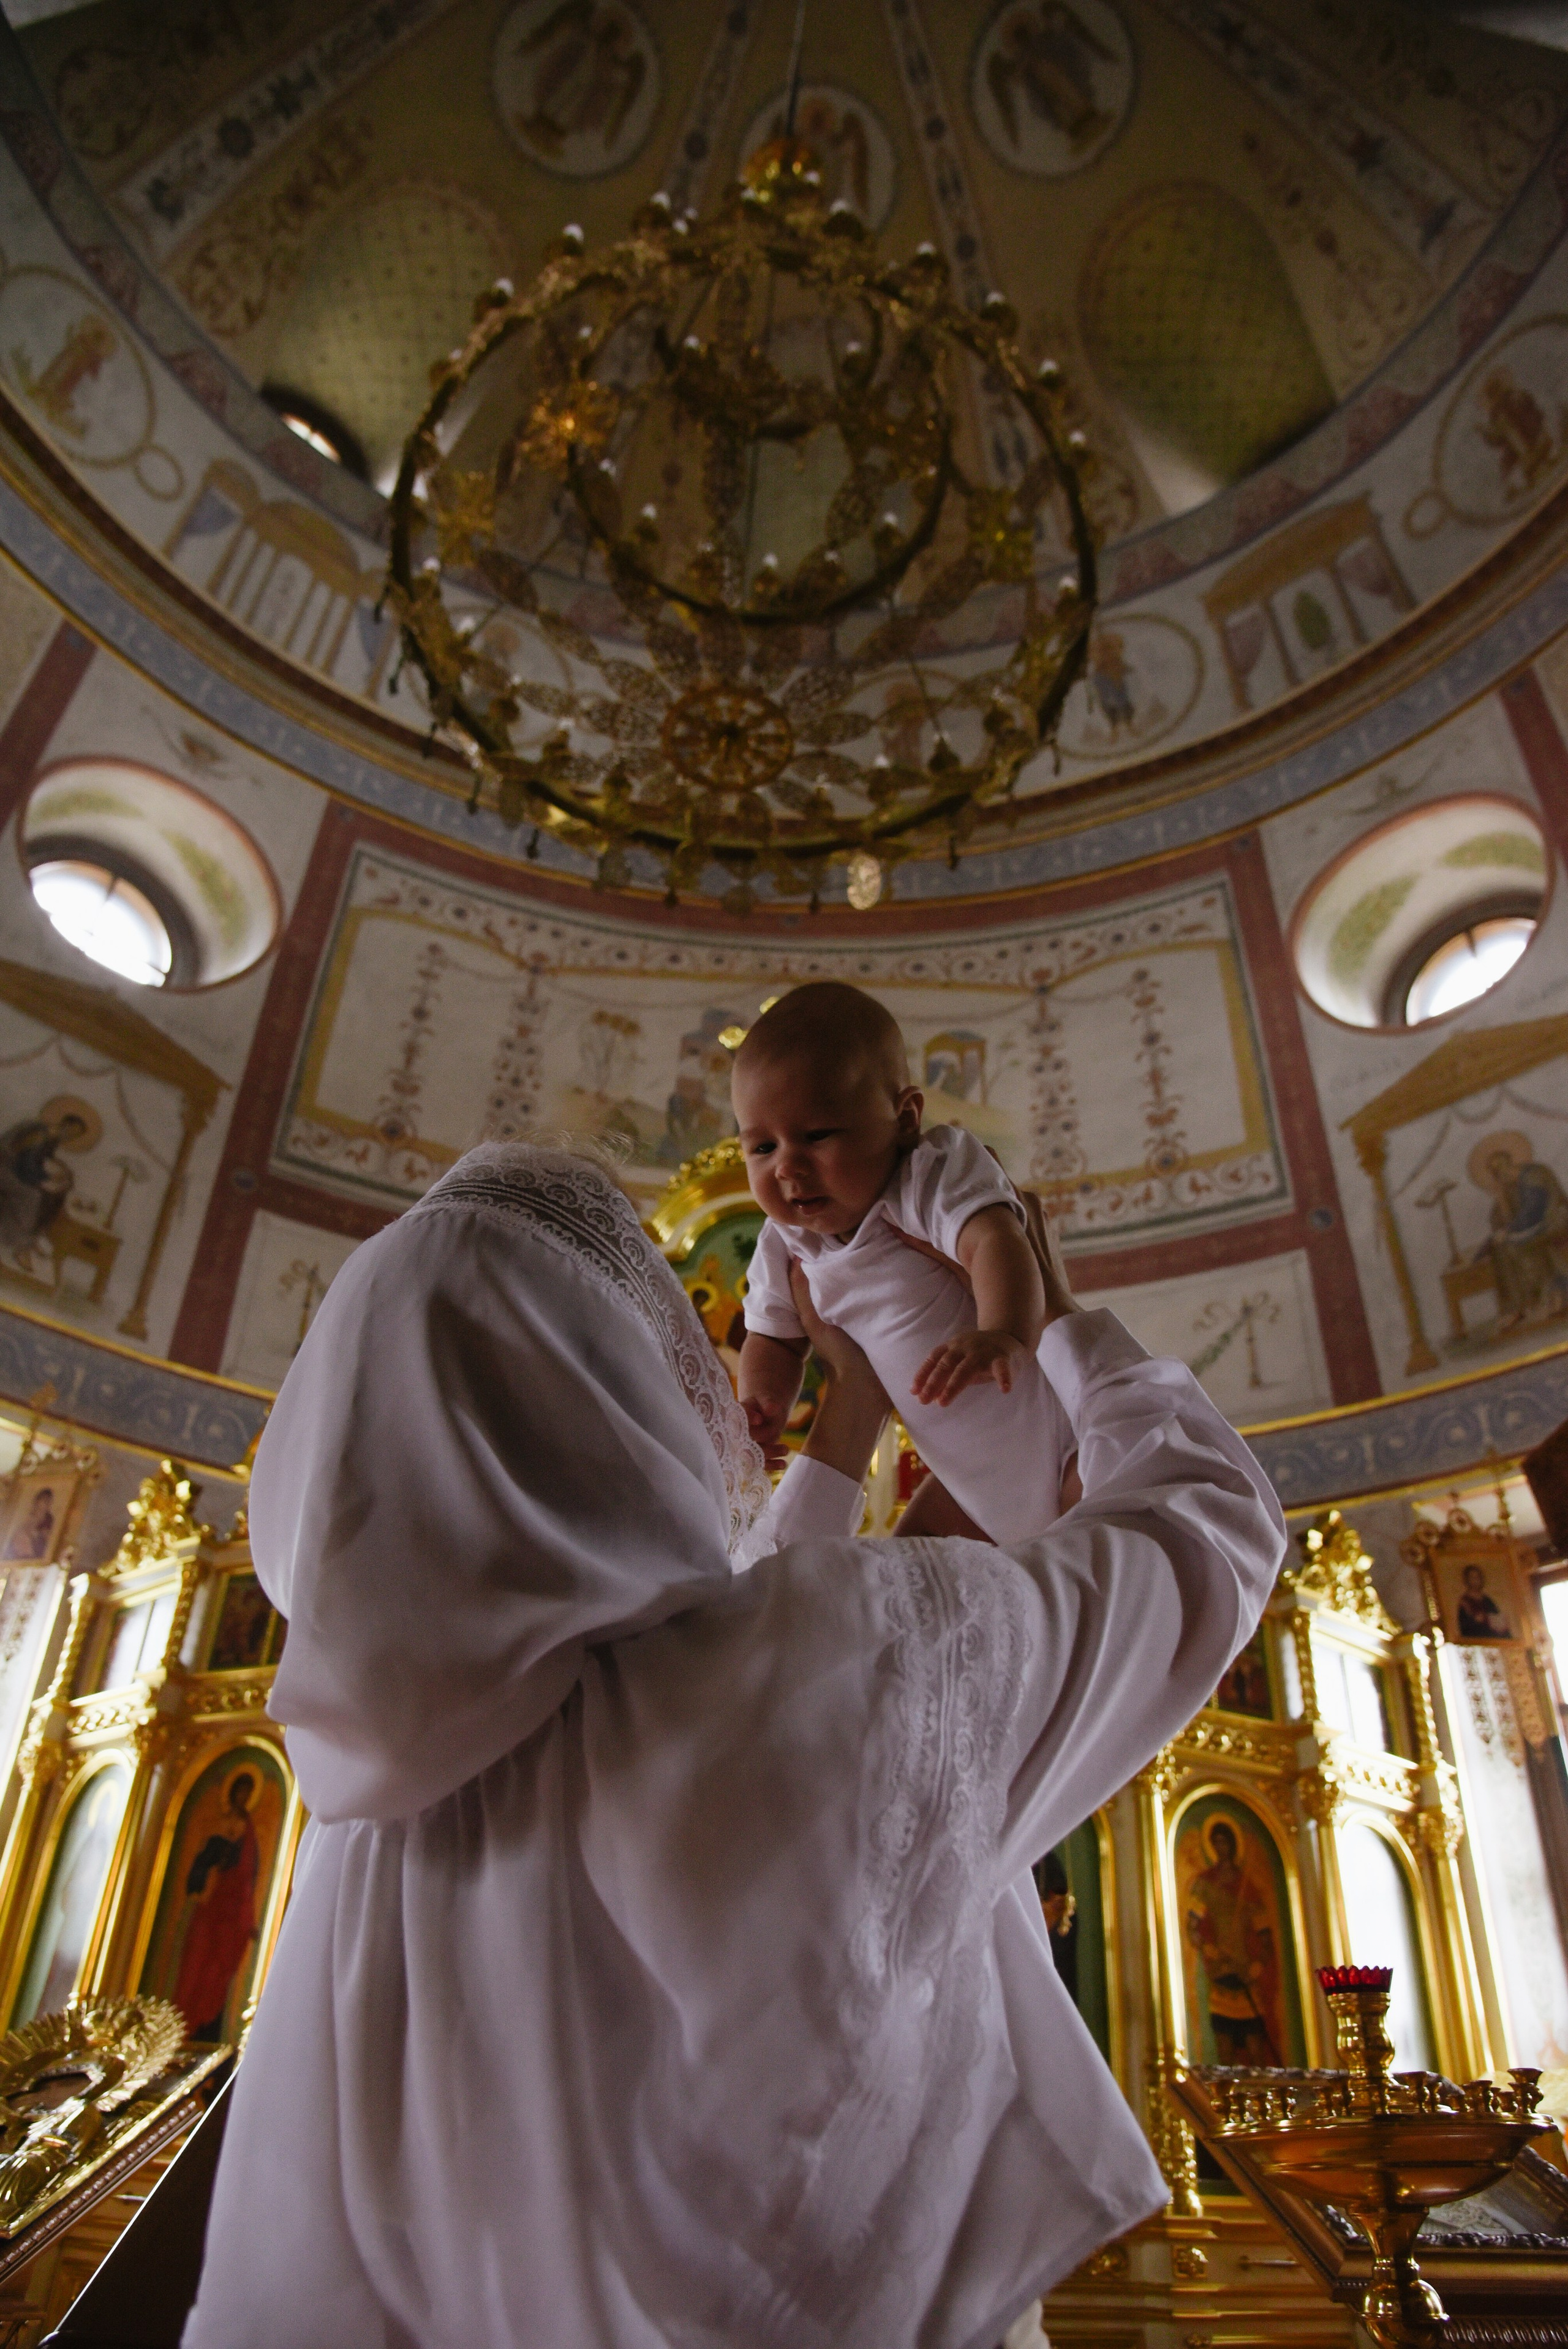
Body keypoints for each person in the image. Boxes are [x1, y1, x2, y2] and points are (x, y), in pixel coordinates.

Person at [183, 1139, 1286, 2349]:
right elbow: (1201, 1529)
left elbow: (724, 1641)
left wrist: (850, 1414)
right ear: (615, 1393)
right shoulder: (802, 1681)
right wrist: (1056, 1319)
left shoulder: (367, 1822)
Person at [734, 981, 1076, 1542]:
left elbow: (996, 1241)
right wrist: (761, 1404)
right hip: (964, 1485)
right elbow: (772, 1338)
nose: (787, 1169)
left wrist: (1006, 1333)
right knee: (909, 1566)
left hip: (1061, 1440)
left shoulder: (928, 1174)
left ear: (906, 1117)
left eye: (816, 1135)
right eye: (762, 1147)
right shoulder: (784, 1242)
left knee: (1099, 1526)